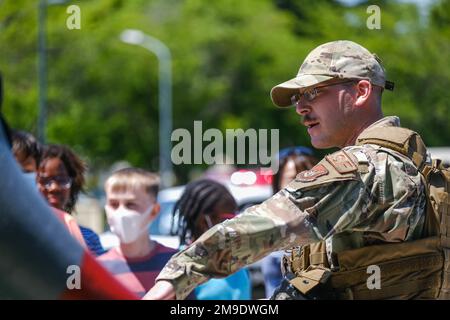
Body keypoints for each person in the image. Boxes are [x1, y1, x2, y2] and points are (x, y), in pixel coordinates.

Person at [144, 40, 445, 300]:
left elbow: (260, 227)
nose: (300, 108)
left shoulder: (362, 169)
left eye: (313, 92)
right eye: (298, 98)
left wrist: (173, 279)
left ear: (361, 91)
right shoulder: (421, 168)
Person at [98, 168, 177, 298]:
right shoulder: (99, 268)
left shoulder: (174, 263)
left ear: (154, 211)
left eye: (130, 204)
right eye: (114, 204)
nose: (121, 213)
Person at [171, 179, 252, 300]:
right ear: (204, 222)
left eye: (236, 217)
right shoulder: (181, 265)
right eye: (228, 219)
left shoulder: (237, 261)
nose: (234, 224)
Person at [260, 146, 318, 298]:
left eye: (308, 177)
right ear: (278, 184)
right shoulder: (268, 227)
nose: (302, 186)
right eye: (293, 179)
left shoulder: (335, 221)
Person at [37, 144, 105, 255]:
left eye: (62, 179)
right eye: (44, 180)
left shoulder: (89, 239)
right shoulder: (19, 236)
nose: (54, 187)